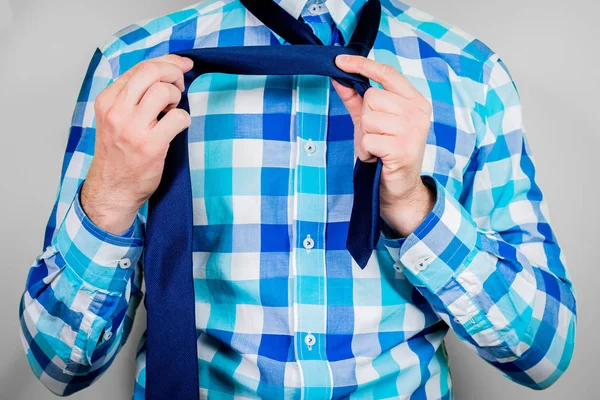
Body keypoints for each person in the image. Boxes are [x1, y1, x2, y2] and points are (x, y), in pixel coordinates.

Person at [18, 0, 577, 398]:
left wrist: (415, 207)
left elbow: (544, 353)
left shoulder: (471, 76)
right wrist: (111, 195)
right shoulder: (132, 69)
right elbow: (57, 367)